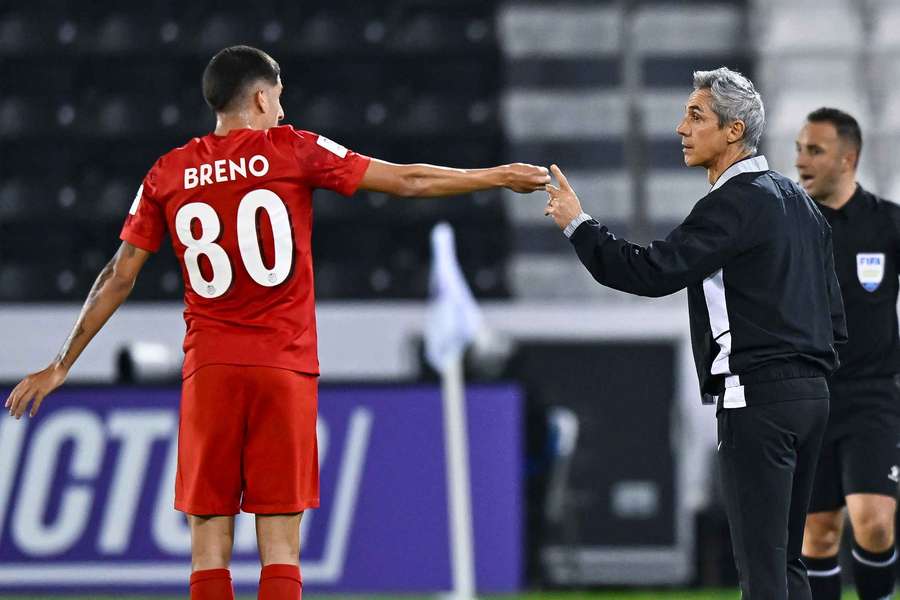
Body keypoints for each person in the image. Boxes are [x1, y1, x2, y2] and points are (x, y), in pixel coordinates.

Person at [3, 45, 549, 600]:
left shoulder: (167, 172)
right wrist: (497, 175)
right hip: (283, 368)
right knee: (282, 545)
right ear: (261, 96)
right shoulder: (294, 148)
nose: (283, 112)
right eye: (279, 98)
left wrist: (60, 363)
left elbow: (119, 275)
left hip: (210, 370)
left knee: (208, 543)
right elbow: (407, 182)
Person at [544, 67, 846, 600]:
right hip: (814, 396)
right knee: (787, 563)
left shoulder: (734, 202)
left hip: (759, 398)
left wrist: (578, 224)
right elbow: (835, 316)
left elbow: (649, 271)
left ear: (733, 131)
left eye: (696, 115)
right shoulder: (802, 204)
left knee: (762, 570)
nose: (681, 127)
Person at [795, 107, 900, 600]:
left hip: (873, 396)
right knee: (818, 533)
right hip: (810, 396)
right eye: (798, 149)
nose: (801, 161)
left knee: (874, 523)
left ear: (848, 158)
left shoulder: (887, 224)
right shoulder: (791, 227)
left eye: (814, 150)